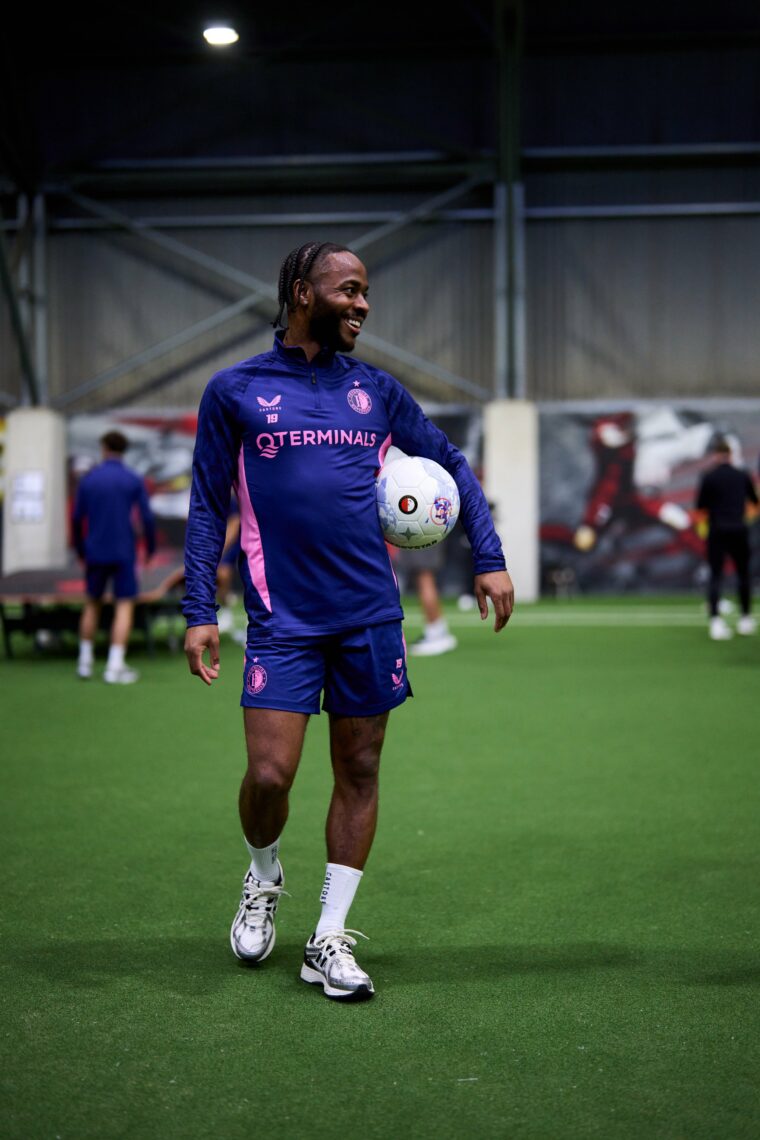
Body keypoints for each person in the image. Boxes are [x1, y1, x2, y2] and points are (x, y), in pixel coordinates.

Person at [182, 241, 513, 1002]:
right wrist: (199, 607)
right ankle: (263, 875)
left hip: (369, 615)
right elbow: (208, 506)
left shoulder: (378, 392)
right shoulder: (234, 391)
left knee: (359, 770)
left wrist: (487, 554)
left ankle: (327, 937)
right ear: (303, 293)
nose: (363, 305)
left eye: (366, 292)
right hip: (282, 620)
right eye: (350, 291)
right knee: (270, 774)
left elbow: (453, 464)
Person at [73, 430, 156, 683]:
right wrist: (150, 549)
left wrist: (80, 550)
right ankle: (114, 666)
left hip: (95, 551)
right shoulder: (132, 479)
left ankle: (85, 663)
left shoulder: (90, 480)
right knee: (124, 606)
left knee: (92, 603)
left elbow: (76, 519)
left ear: (104, 447)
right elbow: (147, 518)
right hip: (123, 552)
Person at [695, 436, 758, 640]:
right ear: (730, 454)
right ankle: (746, 619)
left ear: (715, 455)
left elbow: (700, 505)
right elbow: (754, 501)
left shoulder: (709, 476)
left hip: (717, 529)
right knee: (743, 575)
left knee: (715, 575)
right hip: (738, 528)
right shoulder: (742, 475)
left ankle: (715, 621)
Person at [393, 543, 458, 656]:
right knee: (422, 577)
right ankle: (437, 630)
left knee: (424, 576)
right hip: (419, 532)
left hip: (421, 533)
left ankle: (436, 633)